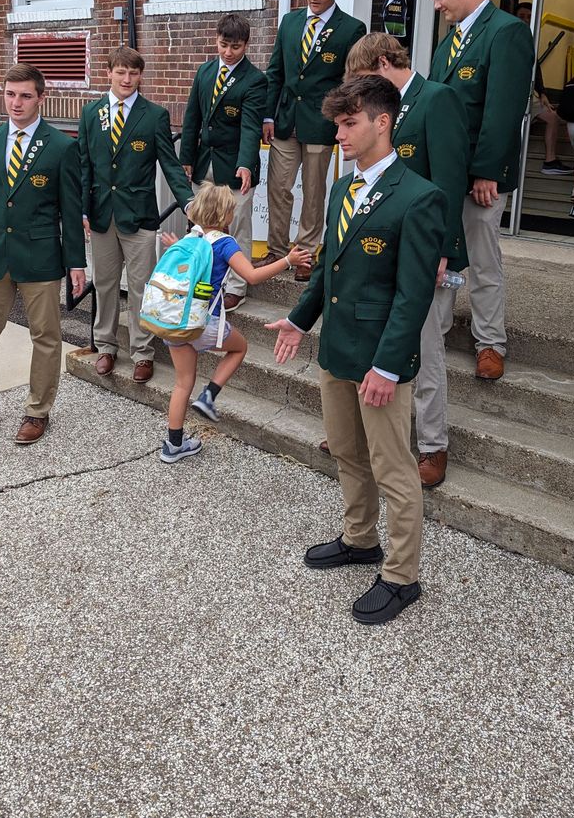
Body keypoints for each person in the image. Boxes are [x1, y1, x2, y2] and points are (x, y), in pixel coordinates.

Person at [267, 76, 447, 626]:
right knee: (347, 451)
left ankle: (401, 576)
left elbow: (414, 296)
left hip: (380, 362)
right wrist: (300, 322)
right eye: (337, 124)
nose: (339, 134)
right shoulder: (345, 189)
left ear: (381, 122)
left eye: (349, 123)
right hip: (338, 352)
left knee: (394, 468)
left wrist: (388, 366)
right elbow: (327, 270)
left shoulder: (419, 198)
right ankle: (359, 538)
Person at [337, 32, 470, 488]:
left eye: (362, 81)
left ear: (381, 63)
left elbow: (450, 179)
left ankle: (433, 444)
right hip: (378, 248)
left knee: (426, 347)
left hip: (421, 247)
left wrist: (445, 250)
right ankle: (361, 431)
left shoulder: (437, 99)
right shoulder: (386, 107)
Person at [0, 63, 86, 444]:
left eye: (25, 95)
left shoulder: (61, 146)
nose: (16, 102)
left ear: (41, 98)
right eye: (10, 94)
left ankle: (37, 411)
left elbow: (69, 209)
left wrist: (75, 262)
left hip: (40, 256)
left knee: (46, 336)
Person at [425, 0, 534, 381]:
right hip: (446, 175)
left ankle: (490, 342)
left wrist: (486, 170)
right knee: (447, 259)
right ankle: (439, 330)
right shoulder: (449, 42)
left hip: (482, 176)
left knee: (483, 260)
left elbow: (503, 110)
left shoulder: (507, 33)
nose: (437, 6)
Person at [160, 184, 311, 464]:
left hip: (173, 320)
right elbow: (252, 276)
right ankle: (209, 395)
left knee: (182, 383)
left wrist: (173, 245)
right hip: (202, 322)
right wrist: (287, 261)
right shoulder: (224, 242)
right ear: (225, 214)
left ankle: (173, 444)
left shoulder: (190, 237)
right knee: (240, 348)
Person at [79, 46, 193, 384]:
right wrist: (82, 208)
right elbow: (84, 165)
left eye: (134, 73)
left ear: (140, 76)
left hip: (140, 215)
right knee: (104, 283)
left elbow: (171, 167)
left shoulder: (153, 114)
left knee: (143, 286)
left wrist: (189, 203)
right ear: (109, 72)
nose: (127, 79)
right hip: (102, 215)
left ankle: (142, 352)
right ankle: (106, 347)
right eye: (121, 72)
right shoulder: (91, 113)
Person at [259, 0, 366, 281]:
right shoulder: (290, 22)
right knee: (278, 187)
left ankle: (305, 254)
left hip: (321, 123)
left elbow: (350, 82)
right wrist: (267, 114)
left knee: (314, 191)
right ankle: (278, 251)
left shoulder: (351, 29)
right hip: (285, 120)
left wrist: (342, 122)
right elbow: (275, 72)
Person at [179, 12, 267, 312]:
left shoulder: (255, 80)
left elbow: (251, 126)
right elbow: (192, 118)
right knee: (201, 224)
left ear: (247, 45)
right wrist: (186, 158)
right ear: (216, 40)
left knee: (237, 224)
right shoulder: (204, 72)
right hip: (205, 161)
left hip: (236, 165)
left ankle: (237, 286)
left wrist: (245, 163)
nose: (228, 52)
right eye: (223, 45)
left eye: (236, 47)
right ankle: (201, 276)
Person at [515, 2, 571, 176]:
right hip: (510, 95)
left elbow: (535, 67)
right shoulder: (509, 35)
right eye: (522, 16)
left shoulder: (530, 37)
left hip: (528, 94)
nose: (525, 20)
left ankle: (550, 161)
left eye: (529, 17)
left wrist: (543, 93)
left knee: (553, 117)